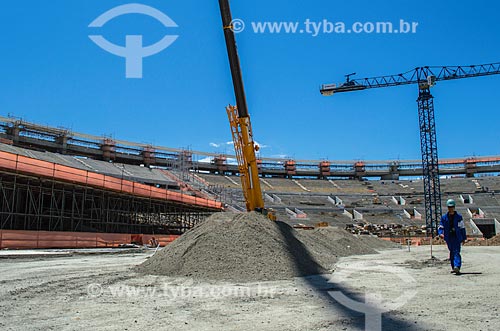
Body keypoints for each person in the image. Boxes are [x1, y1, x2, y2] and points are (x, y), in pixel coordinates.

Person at [438, 199, 467, 274]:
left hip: (456, 237)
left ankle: (457, 266)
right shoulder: (444, 218)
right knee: (452, 251)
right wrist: (441, 233)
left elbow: (462, 228)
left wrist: (464, 238)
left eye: (452, 207)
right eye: (449, 207)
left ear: (454, 207)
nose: (450, 208)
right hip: (448, 237)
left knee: (456, 251)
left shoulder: (458, 217)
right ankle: (453, 266)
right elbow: (441, 227)